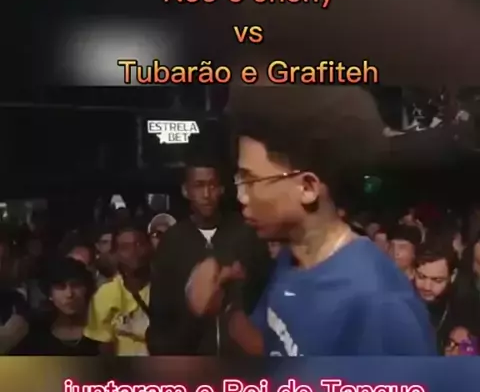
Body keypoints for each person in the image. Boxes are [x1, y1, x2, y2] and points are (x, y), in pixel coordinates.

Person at [185, 85, 436, 356]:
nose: (242, 196)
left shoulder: (380, 305)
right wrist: (223, 307)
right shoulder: (293, 257)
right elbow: (273, 348)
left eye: (250, 180)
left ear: (307, 188)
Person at [146, 156, 271, 355]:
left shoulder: (245, 233)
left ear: (221, 189)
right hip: (190, 359)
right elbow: (161, 312)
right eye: (199, 186)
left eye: (212, 185)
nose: (206, 194)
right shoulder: (172, 241)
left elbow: (265, 291)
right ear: (186, 190)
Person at [83, 223, 152, 356]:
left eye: (139, 244)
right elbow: (104, 345)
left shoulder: (165, 287)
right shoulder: (105, 295)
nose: (134, 251)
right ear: (115, 254)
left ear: (150, 247)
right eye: (125, 247)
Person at [12, 258, 98, 356]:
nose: (69, 294)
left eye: (76, 285)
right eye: (61, 287)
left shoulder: (102, 331)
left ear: (86, 289)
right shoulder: (37, 334)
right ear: (50, 294)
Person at [413, 240, 476, 352]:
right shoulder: (400, 300)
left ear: (453, 276)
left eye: (437, 280)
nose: (427, 287)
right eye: (421, 277)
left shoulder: (466, 304)